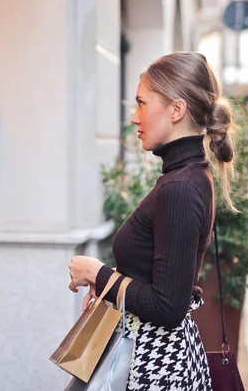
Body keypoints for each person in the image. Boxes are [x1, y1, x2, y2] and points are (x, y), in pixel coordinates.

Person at [67, 51, 237, 390]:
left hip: (153, 366)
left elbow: (167, 306)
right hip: (150, 357)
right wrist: (109, 285)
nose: (134, 117)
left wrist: (95, 273)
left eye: (142, 103)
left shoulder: (181, 187)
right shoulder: (184, 177)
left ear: (176, 110)